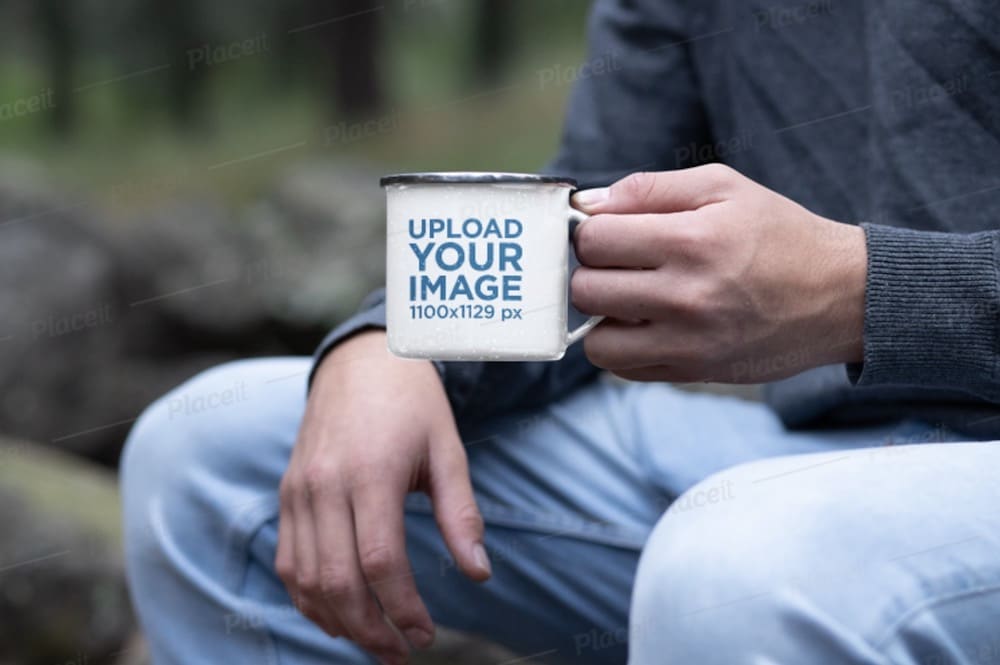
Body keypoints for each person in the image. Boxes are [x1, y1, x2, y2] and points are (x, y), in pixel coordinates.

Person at [120, 1, 1000, 663]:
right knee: (209, 457)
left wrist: (868, 292)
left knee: (742, 569)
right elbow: (591, 209)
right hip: (807, 449)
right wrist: (391, 339)